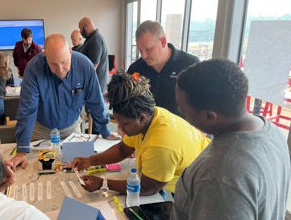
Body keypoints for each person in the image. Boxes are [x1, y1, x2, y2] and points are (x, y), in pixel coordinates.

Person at [171, 59, 290, 220]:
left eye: (183, 109)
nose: (180, 113)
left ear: (209, 116)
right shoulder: (269, 131)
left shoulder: (221, 176)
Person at [71, 71, 210, 196]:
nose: (120, 129)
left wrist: (103, 183)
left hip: (195, 191)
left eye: (124, 124)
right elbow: (122, 149)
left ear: (142, 118)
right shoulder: (150, 115)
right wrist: (90, 161)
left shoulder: (161, 145)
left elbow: (146, 188)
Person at [10, 33, 120, 170]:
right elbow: (27, 110)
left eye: (64, 62)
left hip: (71, 129)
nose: (60, 69)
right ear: (45, 57)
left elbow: (95, 101)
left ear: (70, 51)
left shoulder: (84, 66)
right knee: (39, 170)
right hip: (41, 130)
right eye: (54, 64)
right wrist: (22, 149)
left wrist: (105, 130)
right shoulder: (33, 68)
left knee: (76, 171)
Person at [127, 20, 199, 117]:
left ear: (163, 42)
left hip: (181, 129)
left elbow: (203, 103)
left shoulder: (190, 64)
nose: (143, 55)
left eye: (148, 49)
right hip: (147, 130)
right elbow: (128, 102)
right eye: (140, 50)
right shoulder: (135, 68)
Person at [78, 17, 108, 94]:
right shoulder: (91, 39)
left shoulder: (95, 39)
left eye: (80, 28)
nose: (80, 31)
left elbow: (93, 66)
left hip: (96, 85)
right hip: (93, 84)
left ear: (85, 27)